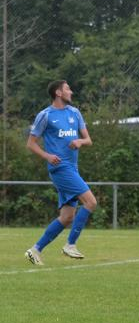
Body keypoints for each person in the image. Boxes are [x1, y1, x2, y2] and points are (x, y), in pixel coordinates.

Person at [25, 80, 97, 265]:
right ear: (58, 92)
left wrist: (80, 142)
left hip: (72, 168)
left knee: (67, 217)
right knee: (90, 202)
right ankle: (70, 245)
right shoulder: (45, 115)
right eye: (67, 89)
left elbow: (88, 140)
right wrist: (48, 156)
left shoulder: (75, 113)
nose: (71, 92)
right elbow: (31, 144)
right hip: (60, 168)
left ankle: (35, 250)